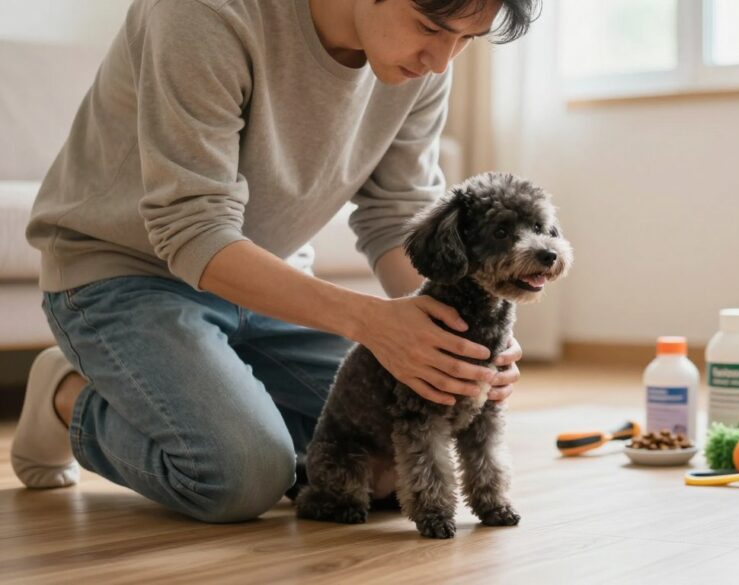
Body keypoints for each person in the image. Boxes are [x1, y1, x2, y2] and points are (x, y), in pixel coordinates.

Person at [11, 0, 539, 523]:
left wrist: (453, 337)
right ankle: (65, 395)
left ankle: (211, 394)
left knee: (384, 468)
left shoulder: (421, 64)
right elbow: (193, 231)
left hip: (274, 281)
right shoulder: (203, 12)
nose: (441, 61)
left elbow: (396, 213)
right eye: (430, 27)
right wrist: (372, 322)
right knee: (241, 477)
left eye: (467, 39)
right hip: (124, 275)